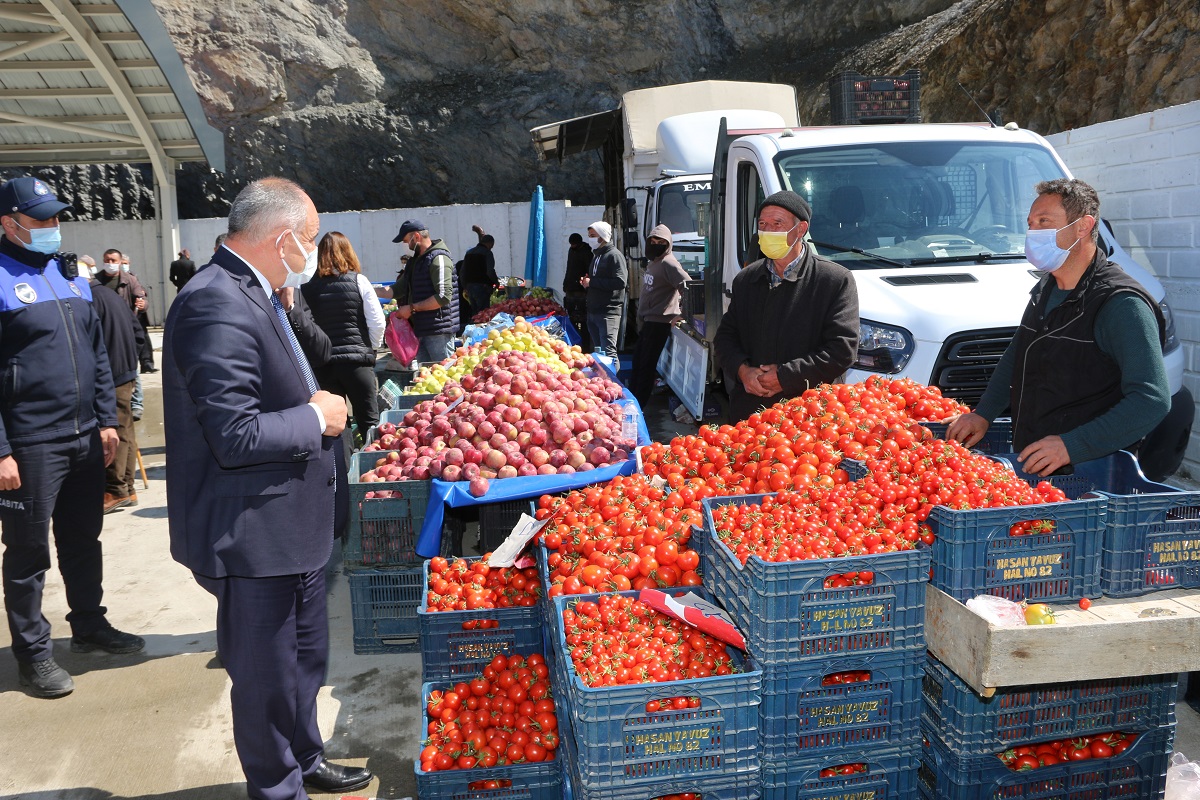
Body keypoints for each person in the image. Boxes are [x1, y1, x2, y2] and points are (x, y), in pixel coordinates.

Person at [163, 177, 372, 798]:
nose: (311, 251)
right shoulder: (214, 301)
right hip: (255, 529)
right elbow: (234, 432)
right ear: (282, 239)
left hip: (293, 523)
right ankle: (278, 785)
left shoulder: (261, 290)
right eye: (307, 239)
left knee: (304, 659)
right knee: (264, 676)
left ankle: (304, 756)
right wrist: (316, 418)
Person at [0, 176, 144, 699]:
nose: (52, 227)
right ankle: (34, 654)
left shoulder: (70, 276)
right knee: (27, 552)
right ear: (8, 223)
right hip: (30, 441)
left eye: (56, 217)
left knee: (83, 538)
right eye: (40, 219)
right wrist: (1, 450)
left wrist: (108, 420)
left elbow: (97, 354)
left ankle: (89, 624)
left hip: (86, 435)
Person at [946, 178, 1170, 477]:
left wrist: (1071, 445)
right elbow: (1017, 355)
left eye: (1044, 222)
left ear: (1083, 226)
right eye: (1030, 223)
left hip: (1091, 473)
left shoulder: (1121, 304)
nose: (1032, 233)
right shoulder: (1048, 288)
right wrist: (983, 413)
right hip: (1037, 465)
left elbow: (1152, 400)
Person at [713, 190, 859, 423]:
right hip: (751, 413)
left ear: (800, 229)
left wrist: (785, 376)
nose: (768, 231)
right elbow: (725, 337)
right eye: (763, 224)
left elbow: (842, 349)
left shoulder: (833, 280)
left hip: (809, 414)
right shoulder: (747, 279)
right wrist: (743, 371)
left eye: (777, 224)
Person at [301, 231, 386, 435]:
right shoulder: (359, 281)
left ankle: (342, 465)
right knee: (369, 420)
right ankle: (373, 464)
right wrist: (372, 348)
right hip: (357, 362)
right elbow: (377, 322)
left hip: (323, 364)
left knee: (336, 425)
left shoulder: (306, 286)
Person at [88, 274, 146, 513]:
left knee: (114, 432)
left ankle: (116, 489)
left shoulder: (90, 299)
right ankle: (127, 487)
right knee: (126, 430)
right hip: (124, 369)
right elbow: (139, 334)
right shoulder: (111, 296)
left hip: (111, 373)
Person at [382, 219, 459, 363]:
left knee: (444, 376)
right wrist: (371, 290)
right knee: (425, 377)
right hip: (420, 329)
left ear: (416, 237)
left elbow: (443, 296)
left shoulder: (439, 259)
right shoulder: (415, 261)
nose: (405, 246)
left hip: (438, 332)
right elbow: (399, 288)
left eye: (406, 241)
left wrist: (411, 308)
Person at [630, 225, 689, 406]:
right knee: (638, 364)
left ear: (668, 243)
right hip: (648, 322)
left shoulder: (669, 263)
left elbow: (688, 286)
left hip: (659, 323)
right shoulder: (655, 262)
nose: (656, 245)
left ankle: (638, 406)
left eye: (661, 242)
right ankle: (632, 400)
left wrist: (682, 314)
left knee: (646, 367)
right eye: (653, 241)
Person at [97, 250, 156, 373]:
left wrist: (143, 304)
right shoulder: (96, 281)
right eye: (107, 260)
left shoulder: (130, 280)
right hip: (103, 326)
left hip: (124, 326)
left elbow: (142, 297)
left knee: (129, 364)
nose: (110, 263)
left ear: (119, 262)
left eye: (113, 260)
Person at [581, 221, 626, 358]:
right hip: (594, 311)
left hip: (608, 312)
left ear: (603, 236)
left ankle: (613, 379)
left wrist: (592, 282)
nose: (590, 239)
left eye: (593, 235)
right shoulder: (597, 255)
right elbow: (598, 278)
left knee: (609, 353)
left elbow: (620, 281)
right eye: (589, 235)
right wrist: (587, 282)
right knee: (599, 352)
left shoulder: (614, 255)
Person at [460, 226, 499, 320]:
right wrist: (496, 282)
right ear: (490, 243)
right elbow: (490, 271)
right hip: (482, 288)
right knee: (484, 314)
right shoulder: (487, 253)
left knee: (474, 314)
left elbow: (462, 271)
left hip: (470, 287)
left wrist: (465, 286)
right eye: (492, 245)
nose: (492, 248)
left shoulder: (469, 253)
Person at [563, 232, 592, 350]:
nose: (572, 246)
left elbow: (588, 270)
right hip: (570, 289)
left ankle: (585, 346)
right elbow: (569, 268)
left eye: (574, 244)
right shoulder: (571, 250)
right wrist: (566, 283)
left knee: (584, 321)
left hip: (581, 291)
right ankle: (573, 344)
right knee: (571, 319)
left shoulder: (586, 252)